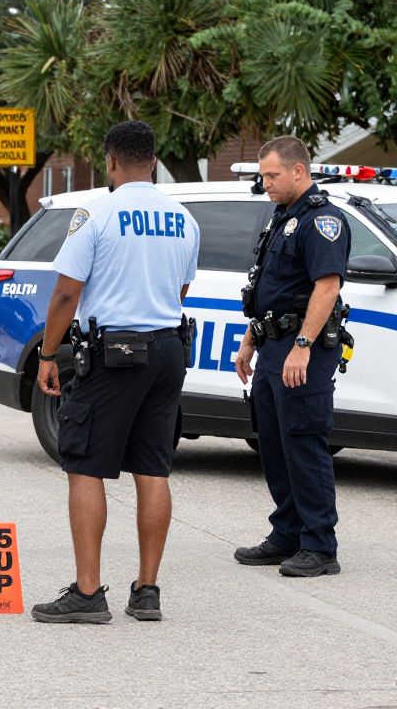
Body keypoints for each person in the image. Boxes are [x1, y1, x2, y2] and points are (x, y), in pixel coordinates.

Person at [30, 121, 200, 624]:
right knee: (153, 467)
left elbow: (66, 292)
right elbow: (180, 290)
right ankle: (147, 591)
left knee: (84, 463)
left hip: (113, 352)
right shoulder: (184, 218)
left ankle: (87, 593)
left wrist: (47, 354)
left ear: (110, 162)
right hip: (169, 348)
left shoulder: (96, 212)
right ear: (154, 159)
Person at [233, 136, 351, 577]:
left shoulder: (324, 221)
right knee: (274, 442)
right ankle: (288, 532)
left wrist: (301, 348)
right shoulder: (282, 217)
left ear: (298, 171)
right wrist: (249, 340)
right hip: (272, 345)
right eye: (263, 175)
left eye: (272, 175)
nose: (265, 183)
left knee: (303, 440)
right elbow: (270, 290)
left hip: (305, 347)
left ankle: (320, 545)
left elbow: (327, 287)